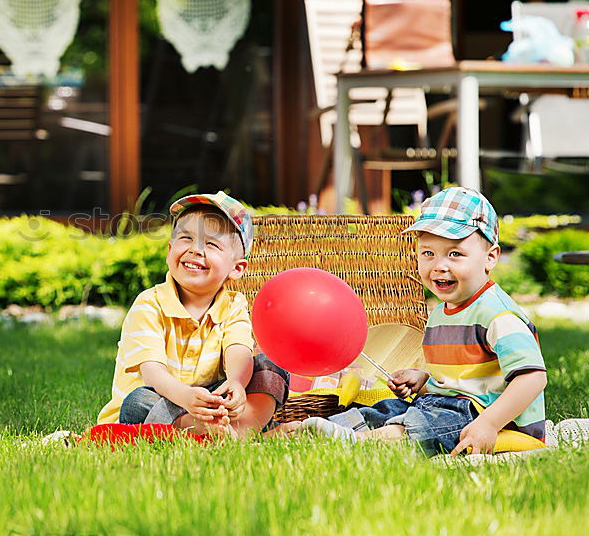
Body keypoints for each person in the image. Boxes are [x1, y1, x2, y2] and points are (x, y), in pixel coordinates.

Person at [288, 186, 548, 456]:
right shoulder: (440, 313)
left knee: (422, 425)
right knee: (386, 409)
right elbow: (460, 377)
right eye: (428, 253)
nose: (439, 265)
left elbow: (532, 378)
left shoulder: (498, 314)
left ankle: (370, 442)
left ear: (490, 257)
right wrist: (422, 380)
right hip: (442, 405)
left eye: (455, 254)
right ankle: (315, 431)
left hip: (491, 416)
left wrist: (489, 424)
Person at [96, 191, 289, 437]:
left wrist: (237, 385)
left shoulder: (234, 304)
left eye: (211, 244)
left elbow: (238, 348)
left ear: (237, 268)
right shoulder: (149, 304)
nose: (196, 250)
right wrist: (186, 397)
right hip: (163, 400)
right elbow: (153, 372)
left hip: (209, 401)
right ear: (169, 251)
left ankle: (240, 430)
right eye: (186, 238)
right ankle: (229, 433)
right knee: (137, 401)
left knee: (270, 365)